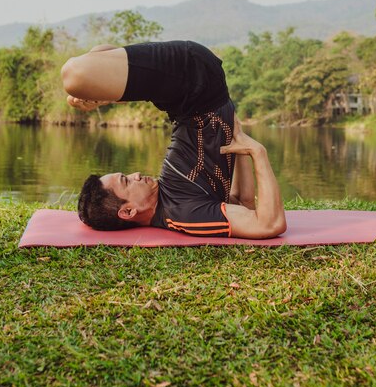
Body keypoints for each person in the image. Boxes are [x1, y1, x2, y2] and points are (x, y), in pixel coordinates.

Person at [61, 40, 286, 239]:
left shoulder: (174, 203)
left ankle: (104, 95)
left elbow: (239, 202)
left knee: (99, 54)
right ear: (128, 211)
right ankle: (103, 96)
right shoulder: (183, 214)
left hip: (185, 96)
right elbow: (267, 223)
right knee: (73, 75)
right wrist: (257, 152)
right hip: (195, 82)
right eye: (127, 181)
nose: (136, 174)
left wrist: (239, 143)